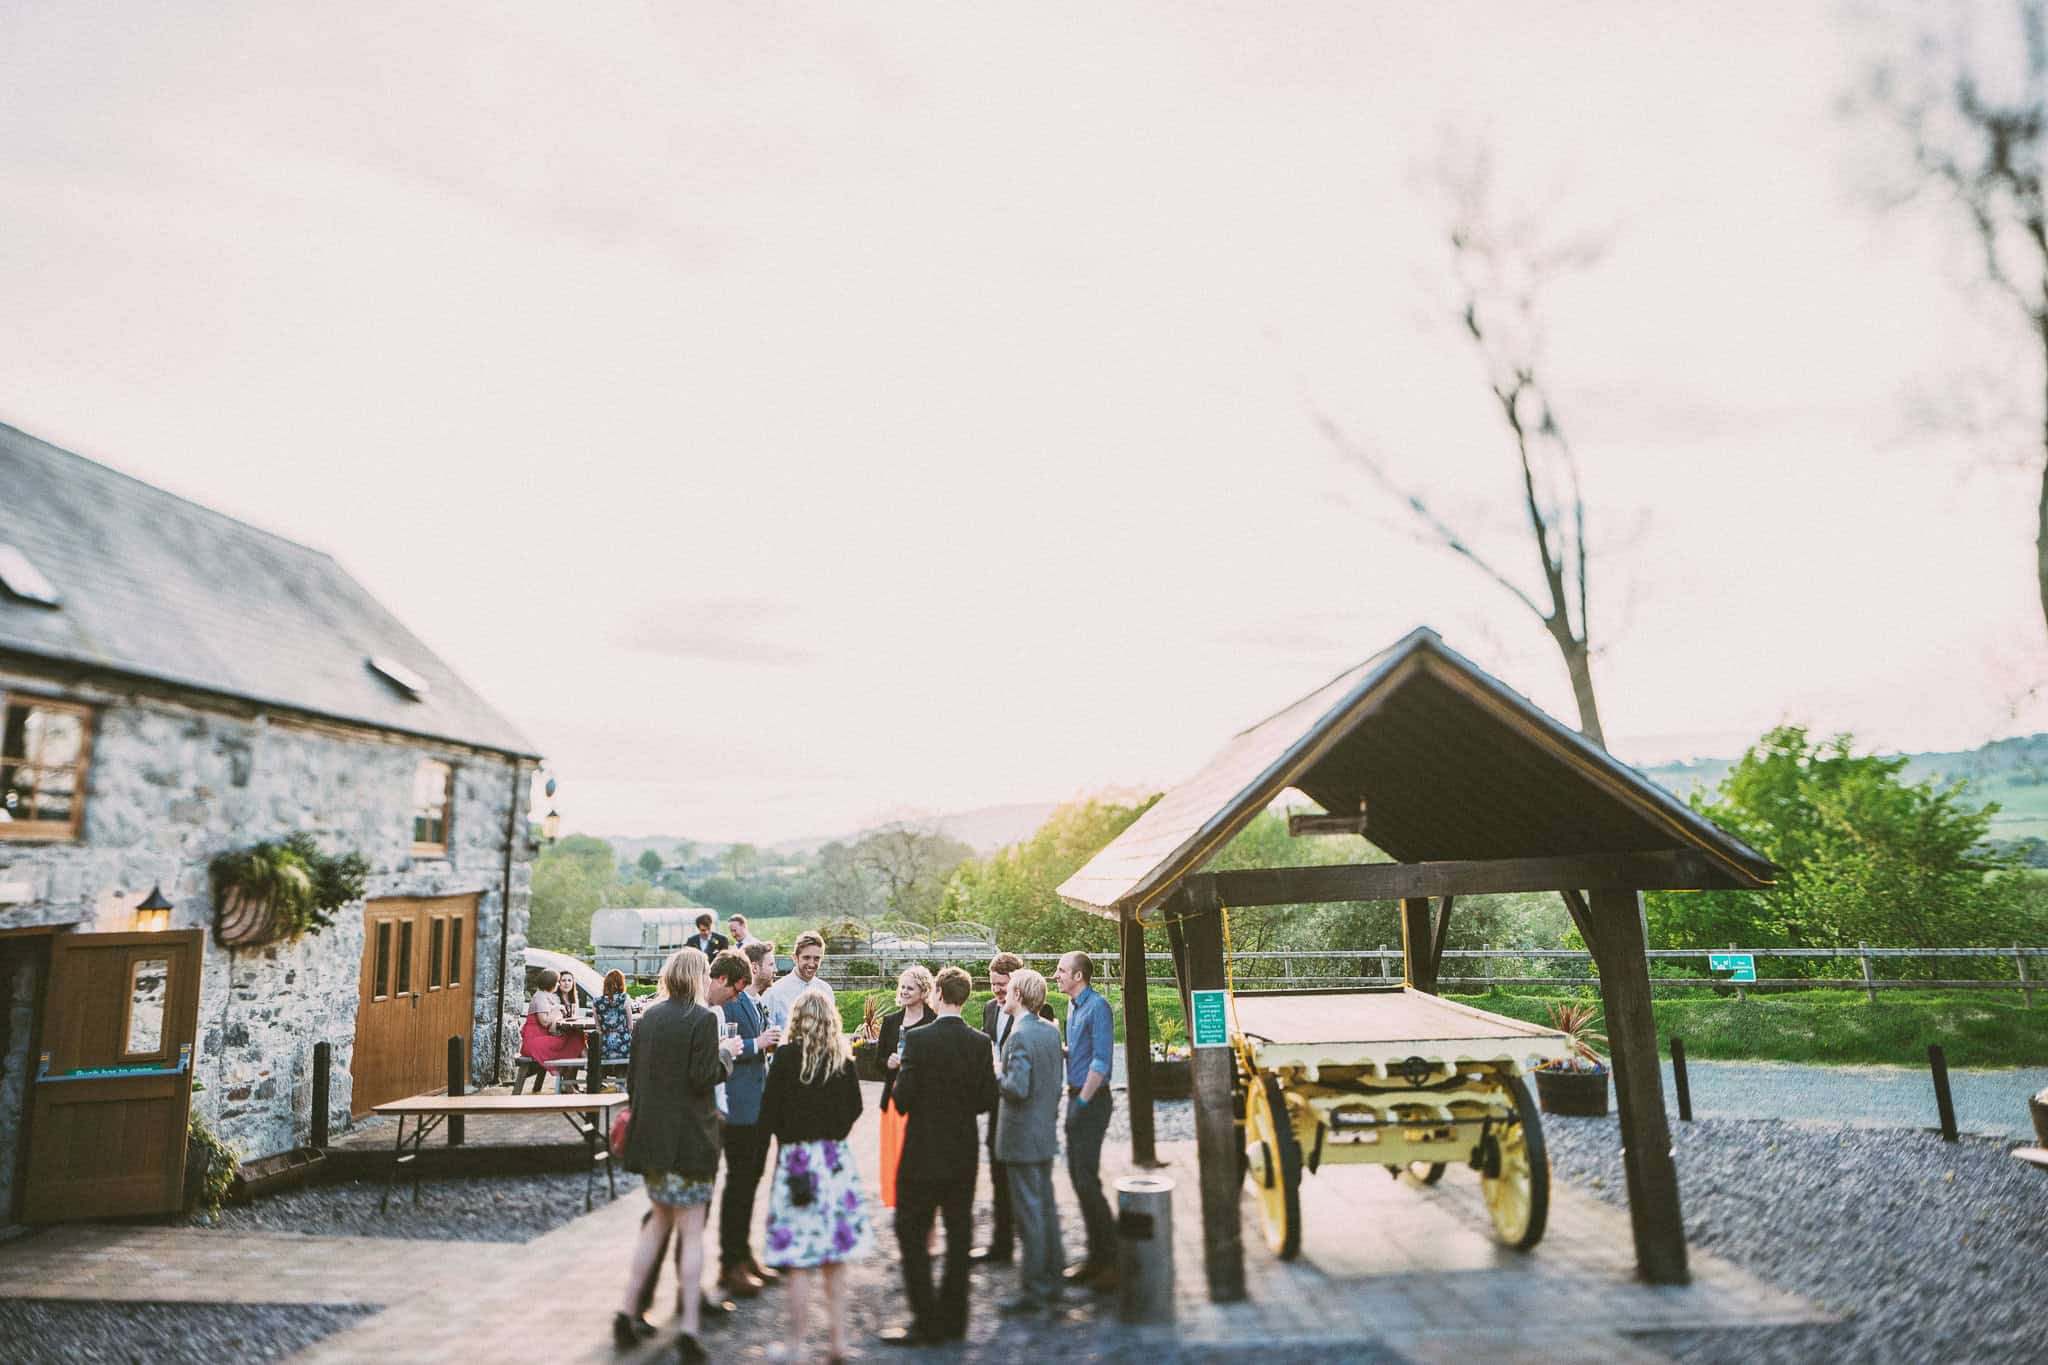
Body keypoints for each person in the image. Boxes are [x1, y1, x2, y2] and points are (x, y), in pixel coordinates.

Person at [614, 947, 741, 1362]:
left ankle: (626, 1312)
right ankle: (688, 1327)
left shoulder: (649, 1017)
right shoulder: (703, 1020)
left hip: (653, 1141)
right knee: (691, 1233)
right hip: (690, 1143)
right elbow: (703, 1078)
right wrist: (727, 1054)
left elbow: (633, 1078)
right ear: (700, 975)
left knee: (655, 1227)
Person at [879, 966, 997, 1348]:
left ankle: (926, 1319)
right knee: (960, 1233)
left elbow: (903, 1099)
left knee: (910, 1232)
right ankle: (955, 1318)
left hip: (922, 1153)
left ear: (938, 995)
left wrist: (898, 1077)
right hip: (962, 1150)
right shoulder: (980, 1043)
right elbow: (986, 1100)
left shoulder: (918, 1040)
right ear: (963, 997)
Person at [758, 987, 870, 1365]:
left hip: (798, 1163)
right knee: (835, 1258)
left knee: (800, 1260)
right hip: (835, 1161)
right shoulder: (842, 1057)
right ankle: (838, 1342)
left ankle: (796, 1345)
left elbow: (769, 1111)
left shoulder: (786, 1058)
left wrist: (790, 1140)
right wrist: (834, 1136)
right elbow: (854, 1107)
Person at [972, 951, 1056, 1265]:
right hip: (997, 1102)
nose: (996, 991)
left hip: (1023, 1103)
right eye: (993, 984)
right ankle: (1002, 1243)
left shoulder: (1040, 1011)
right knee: (996, 1170)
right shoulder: (988, 1010)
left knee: (1027, 1183)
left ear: (1017, 986)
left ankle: (1033, 1246)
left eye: (1002, 985)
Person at [994, 968, 1067, 1316]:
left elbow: (1017, 1088)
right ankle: (1054, 1280)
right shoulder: (1051, 1033)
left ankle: (1034, 1290)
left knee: (1029, 1215)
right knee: (1047, 1209)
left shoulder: (1018, 1037)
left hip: (1021, 1137)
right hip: (1044, 1132)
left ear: (1019, 996)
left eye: (1008, 990)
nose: (1004, 995)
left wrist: (995, 1072)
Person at [713, 948, 783, 1299]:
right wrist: (759, 1043)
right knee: (738, 1185)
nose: (775, 968)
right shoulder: (728, 1002)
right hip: (738, 1108)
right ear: (753, 968)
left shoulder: (754, 1001)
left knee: (751, 1181)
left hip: (758, 1106)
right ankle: (730, 1263)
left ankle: (744, 1253)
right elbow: (727, 1050)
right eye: (771, 963)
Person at [1056, 949, 1117, 1290]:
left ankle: (1110, 1261)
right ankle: (1097, 1257)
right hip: (1076, 1096)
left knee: (1087, 1181)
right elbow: (1079, 1052)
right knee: (1080, 1180)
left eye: (1062, 971)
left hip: (1091, 1100)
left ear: (1079, 976)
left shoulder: (1098, 1007)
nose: (1057, 976)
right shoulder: (1072, 1006)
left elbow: (1101, 1062)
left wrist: (1081, 1102)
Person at [875, 965, 937, 1210]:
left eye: (910, 988)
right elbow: (877, 1061)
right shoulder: (891, 1022)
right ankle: (896, 1199)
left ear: (923, 991)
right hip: (892, 1098)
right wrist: (887, 1063)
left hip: (920, 1102)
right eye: (902, 986)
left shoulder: (933, 1021)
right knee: (893, 1154)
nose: (904, 991)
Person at [518, 969, 586, 1093]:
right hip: (534, 1040)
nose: (559, 985)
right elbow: (544, 1021)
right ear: (551, 983)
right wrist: (557, 1010)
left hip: (543, 1036)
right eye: (557, 982)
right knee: (574, 1039)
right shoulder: (540, 997)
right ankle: (584, 1073)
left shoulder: (545, 996)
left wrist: (557, 1010)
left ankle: (571, 1082)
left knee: (576, 1037)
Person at [761, 932, 832, 1027]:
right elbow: (766, 1033)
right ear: (794, 958)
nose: (811, 964)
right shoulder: (775, 992)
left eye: (816, 958)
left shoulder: (826, 990)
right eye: (806, 958)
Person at [594, 968, 635, 1066]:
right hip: (623, 1045)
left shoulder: (596, 1001)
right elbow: (630, 1026)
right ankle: (620, 1079)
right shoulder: (625, 998)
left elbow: (598, 1028)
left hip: (605, 1048)